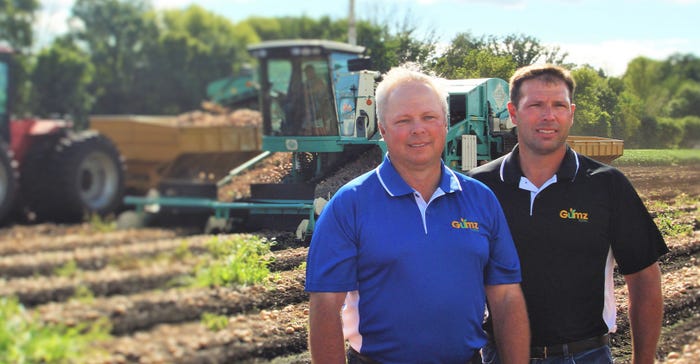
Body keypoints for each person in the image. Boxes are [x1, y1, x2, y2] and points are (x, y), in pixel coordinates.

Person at [305, 64, 530, 364]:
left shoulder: (480, 199)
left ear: (445, 123)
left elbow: (505, 297)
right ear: (382, 129)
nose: (418, 129)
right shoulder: (350, 204)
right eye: (403, 120)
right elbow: (324, 306)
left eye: (429, 117)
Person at [467, 64, 669, 364]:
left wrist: (644, 361)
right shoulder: (479, 187)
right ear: (512, 112)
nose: (548, 116)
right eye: (535, 105)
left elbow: (644, 279)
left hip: (584, 355)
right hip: (500, 355)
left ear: (571, 113)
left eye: (558, 105)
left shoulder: (606, 184)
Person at [302, 64, 334, 136]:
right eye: (306, 72)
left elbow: (317, 89)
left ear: (313, 72)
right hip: (308, 109)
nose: (307, 74)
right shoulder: (306, 83)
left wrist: (305, 92)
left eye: (309, 72)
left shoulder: (319, 81)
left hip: (320, 109)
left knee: (319, 127)